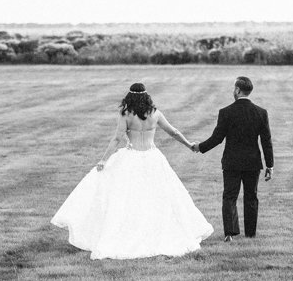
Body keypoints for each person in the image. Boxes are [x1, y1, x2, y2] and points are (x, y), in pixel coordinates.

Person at [51, 82, 212, 259]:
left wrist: (104, 159)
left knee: (128, 197)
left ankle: (129, 232)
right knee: (158, 197)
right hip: (153, 158)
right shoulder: (155, 113)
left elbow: (117, 138)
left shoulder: (126, 114)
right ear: (146, 95)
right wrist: (189, 145)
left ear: (130, 96)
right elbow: (173, 132)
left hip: (132, 157)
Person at [190, 76, 274, 241]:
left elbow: (217, 138)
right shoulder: (261, 112)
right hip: (252, 162)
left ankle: (230, 233)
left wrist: (200, 147)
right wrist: (269, 165)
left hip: (232, 162)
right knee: (251, 197)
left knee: (229, 196)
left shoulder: (226, 112)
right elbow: (266, 141)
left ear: (237, 90)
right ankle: (250, 234)